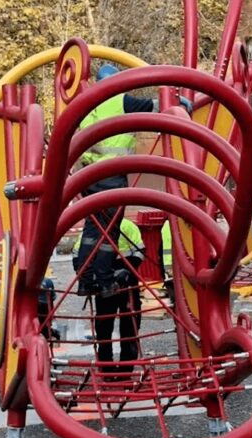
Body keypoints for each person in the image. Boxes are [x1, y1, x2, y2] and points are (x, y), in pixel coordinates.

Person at [76, 64, 192, 297]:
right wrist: (179, 102)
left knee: (92, 230)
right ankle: (106, 281)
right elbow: (153, 107)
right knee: (110, 233)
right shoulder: (119, 101)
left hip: (89, 177)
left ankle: (85, 279)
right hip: (111, 176)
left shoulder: (87, 106)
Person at [73, 218, 145, 375]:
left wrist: (90, 277)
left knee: (117, 326)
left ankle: (112, 368)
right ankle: (116, 368)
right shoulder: (125, 225)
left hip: (117, 283)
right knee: (120, 326)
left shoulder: (93, 226)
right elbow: (139, 253)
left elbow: (77, 256)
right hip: (115, 283)